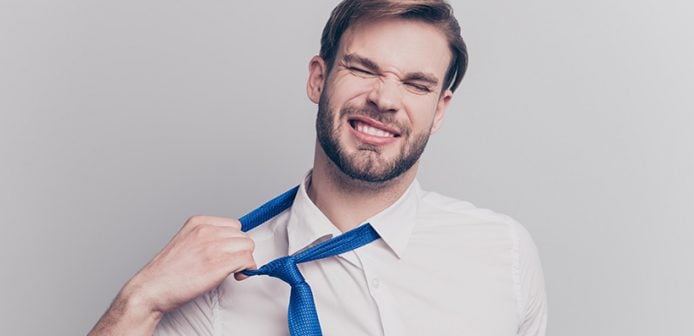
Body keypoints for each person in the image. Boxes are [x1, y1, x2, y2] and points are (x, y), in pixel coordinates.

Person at [89, 0, 547, 335]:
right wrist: (140, 299)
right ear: (318, 78)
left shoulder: (503, 253)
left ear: (440, 110)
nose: (384, 100)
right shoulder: (216, 283)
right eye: (363, 69)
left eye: (416, 84)